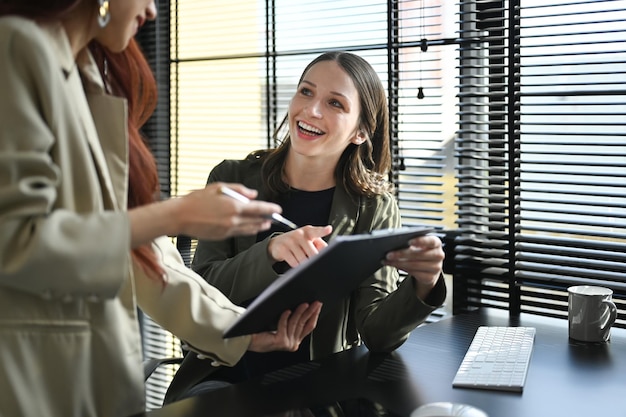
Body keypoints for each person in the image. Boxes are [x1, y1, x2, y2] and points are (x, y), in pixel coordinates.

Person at [0, 1, 322, 417]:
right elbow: (15, 241)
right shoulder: (17, 47)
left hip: (93, 373)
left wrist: (241, 331)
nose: (153, 11)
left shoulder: (88, 80)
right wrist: (175, 215)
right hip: (30, 379)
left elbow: (148, 261)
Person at [171, 51, 447, 401]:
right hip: (223, 379)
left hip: (320, 388)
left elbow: (377, 333)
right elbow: (200, 289)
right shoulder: (232, 179)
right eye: (306, 92)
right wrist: (270, 252)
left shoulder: (374, 207)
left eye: (335, 103)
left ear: (361, 132)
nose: (312, 110)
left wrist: (424, 284)